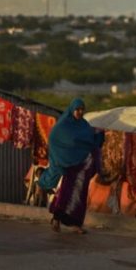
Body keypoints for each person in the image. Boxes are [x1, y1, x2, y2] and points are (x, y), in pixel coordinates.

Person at [38, 98, 104, 234]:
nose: (80, 112)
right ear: (72, 109)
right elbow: (54, 140)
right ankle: (56, 219)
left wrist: (99, 134)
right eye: (77, 109)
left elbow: (91, 142)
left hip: (83, 168)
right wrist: (61, 158)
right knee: (66, 194)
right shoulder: (63, 125)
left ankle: (76, 224)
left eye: (82, 109)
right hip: (71, 167)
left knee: (81, 197)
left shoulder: (85, 125)